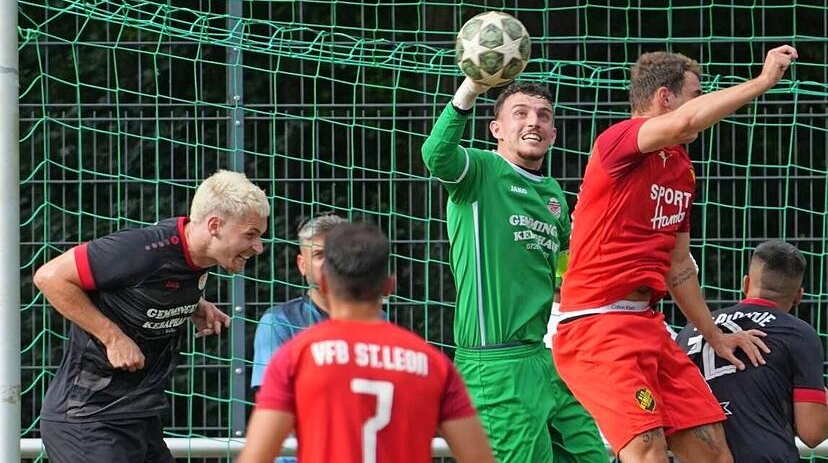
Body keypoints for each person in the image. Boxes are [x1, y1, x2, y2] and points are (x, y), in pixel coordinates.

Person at [553, 45, 798, 462]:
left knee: (714, 452)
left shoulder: (681, 168)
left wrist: (714, 335)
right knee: (646, 450)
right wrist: (762, 82)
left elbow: (679, 265)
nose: (701, 103)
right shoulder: (619, 141)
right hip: (596, 326)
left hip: (648, 325)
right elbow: (686, 120)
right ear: (665, 97)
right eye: (696, 94)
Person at [421, 78, 606, 462]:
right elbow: (436, 154)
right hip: (495, 365)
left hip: (544, 358)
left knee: (593, 455)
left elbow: (564, 267)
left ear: (553, 134)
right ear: (497, 129)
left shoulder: (554, 196)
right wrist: (470, 88)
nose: (533, 122)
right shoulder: (479, 171)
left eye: (543, 116)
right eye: (520, 114)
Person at [34, 170, 270, 463]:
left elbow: (150, 283)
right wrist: (113, 337)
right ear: (214, 226)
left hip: (138, 416)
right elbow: (50, 277)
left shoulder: (196, 254)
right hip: (87, 417)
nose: (258, 247)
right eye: (251, 235)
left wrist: (194, 303)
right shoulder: (141, 248)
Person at [238, 223, 494, 463]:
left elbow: (256, 457)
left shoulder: (295, 357)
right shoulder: (433, 364)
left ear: (325, 283)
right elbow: (478, 457)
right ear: (389, 285)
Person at [676, 240, 828, 462]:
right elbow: (812, 432)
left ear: (745, 284)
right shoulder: (799, 334)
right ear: (798, 296)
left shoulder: (690, 331)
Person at [250, 212, 348, 393]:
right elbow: (271, 400)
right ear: (302, 265)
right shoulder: (279, 322)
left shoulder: (377, 320)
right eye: (319, 255)